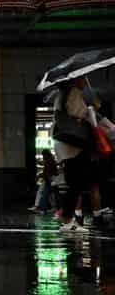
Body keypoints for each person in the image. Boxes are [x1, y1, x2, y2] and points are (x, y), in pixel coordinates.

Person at [54, 77, 92, 232]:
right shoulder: (74, 92)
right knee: (76, 183)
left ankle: (66, 217)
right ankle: (67, 219)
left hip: (65, 144)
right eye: (83, 78)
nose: (85, 80)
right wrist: (90, 109)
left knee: (74, 183)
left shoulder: (61, 94)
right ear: (75, 79)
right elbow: (79, 112)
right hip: (73, 145)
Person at [29, 149, 57, 214]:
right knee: (49, 194)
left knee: (42, 192)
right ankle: (53, 207)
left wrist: (39, 176)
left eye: (43, 155)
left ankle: (39, 207)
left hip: (48, 179)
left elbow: (46, 172)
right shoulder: (51, 160)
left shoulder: (48, 161)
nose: (43, 156)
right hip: (50, 179)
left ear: (45, 155)